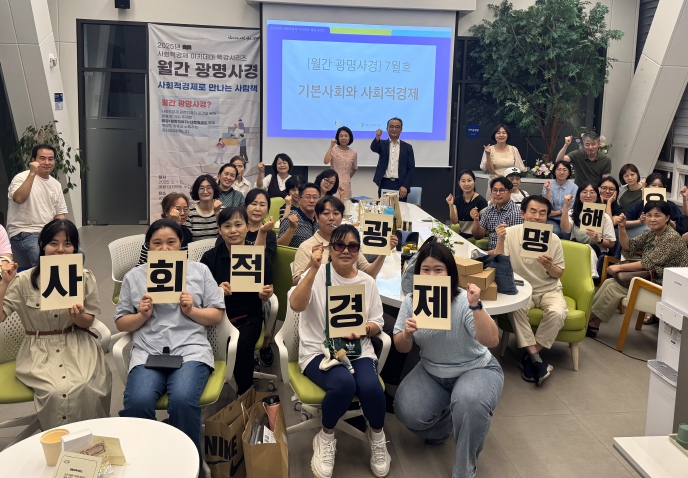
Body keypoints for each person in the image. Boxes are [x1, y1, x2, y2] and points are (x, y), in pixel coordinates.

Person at [116, 219, 225, 461]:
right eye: (157, 243)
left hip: (190, 349)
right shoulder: (134, 276)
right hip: (148, 351)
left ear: (181, 244)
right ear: (148, 246)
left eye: (171, 242)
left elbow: (217, 315)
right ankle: (147, 461)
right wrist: (141, 315)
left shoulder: (199, 271)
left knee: (183, 401)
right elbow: (121, 322)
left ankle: (188, 465)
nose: (164, 248)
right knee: (137, 403)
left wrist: (192, 311)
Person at [393, 242, 502, 478]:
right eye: (426, 269)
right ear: (418, 272)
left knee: (470, 401)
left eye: (438, 269)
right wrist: (407, 334)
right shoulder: (412, 301)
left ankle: (464, 470)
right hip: (433, 370)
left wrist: (476, 306)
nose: (432, 275)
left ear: (450, 272)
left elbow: (492, 340)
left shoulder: (463, 300)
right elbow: (401, 347)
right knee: (406, 411)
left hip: (475, 367)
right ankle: (446, 427)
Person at [290, 224, 391, 478]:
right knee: (344, 384)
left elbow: (378, 322)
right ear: (330, 248)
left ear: (358, 250)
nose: (346, 250)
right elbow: (296, 305)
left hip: (358, 350)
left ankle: (378, 437)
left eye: (352, 246)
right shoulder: (316, 274)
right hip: (318, 351)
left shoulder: (367, 282)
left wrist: (364, 329)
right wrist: (313, 268)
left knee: (371, 388)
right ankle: (325, 436)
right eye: (339, 245)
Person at [0, 219, 111, 429]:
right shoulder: (23, 280)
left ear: (75, 248)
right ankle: (55, 440)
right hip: (39, 349)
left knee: (88, 386)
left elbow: (88, 321)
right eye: (53, 243)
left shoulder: (84, 277)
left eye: (67, 244)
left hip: (77, 342)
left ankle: (90, 439)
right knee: (54, 391)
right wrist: (5, 283)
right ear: (42, 245)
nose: (60, 250)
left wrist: (77, 317)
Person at [587, 201, 688, 338]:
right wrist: (622, 227)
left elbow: (646, 264)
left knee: (614, 288)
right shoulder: (651, 233)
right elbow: (628, 246)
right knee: (609, 283)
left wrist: (619, 267)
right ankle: (593, 323)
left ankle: (586, 320)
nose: (652, 219)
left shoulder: (671, 238)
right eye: (649, 215)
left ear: (667, 218)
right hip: (650, 278)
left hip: (666, 287)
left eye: (657, 215)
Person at [494, 196, 567, 385]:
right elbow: (500, 263)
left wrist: (550, 266)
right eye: (532, 211)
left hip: (549, 289)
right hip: (521, 288)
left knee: (558, 312)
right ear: (522, 213)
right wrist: (500, 240)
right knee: (516, 309)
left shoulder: (554, 239)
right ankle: (536, 359)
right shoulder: (510, 233)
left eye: (542, 213)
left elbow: (558, 273)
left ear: (547, 216)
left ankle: (531, 356)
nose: (537, 217)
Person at [201, 208, 274, 395]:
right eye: (227, 226)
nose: (233, 230)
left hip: (249, 316)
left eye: (238, 225)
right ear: (219, 230)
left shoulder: (258, 255)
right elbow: (200, 295)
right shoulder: (209, 258)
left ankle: (245, 395)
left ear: (248, 227)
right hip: (218, 316)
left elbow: (268, 287)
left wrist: (265, 293)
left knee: (242, 346)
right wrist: (218, 290)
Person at [292, 196, 398, 284]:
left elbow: (369, 274)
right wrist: (312, 264)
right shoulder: (307, 247)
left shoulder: (349, 242)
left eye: (336, 213)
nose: (331, 218)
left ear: (342, 217)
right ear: (317, 218)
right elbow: (296, 283)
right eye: (326, 213)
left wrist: (384, 251)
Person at [7, 144, 68, 266]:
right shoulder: (21, 178)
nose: (47, 162)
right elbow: (19, 199)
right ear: (33, 160)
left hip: (48, 233)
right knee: (42, 259)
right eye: (42, 158)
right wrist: (32, 174)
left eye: (50, 159)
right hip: (24, 232)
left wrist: (60, 232)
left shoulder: (56, 184)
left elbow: (60, 214)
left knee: (79, 253)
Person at [560, 182, 616, 278]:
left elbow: (611, 244)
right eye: (584, 192)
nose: (588, 195)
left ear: (597, 195)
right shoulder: (573, 213)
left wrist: (598, 239)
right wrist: (566, 206)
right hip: (576, 248)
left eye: (592, 192)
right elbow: (566, 228)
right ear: (579, 195)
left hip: (597, 251)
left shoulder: (605, 217)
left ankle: (592, 273)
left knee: (587, 247)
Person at [471, 176, 524, 251]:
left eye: (502, 190)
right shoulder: (490, 210)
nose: (498, 193)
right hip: (491, 253)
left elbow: (513, 246)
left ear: (510, 192)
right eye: (495, 190)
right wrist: (476, 221)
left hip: (505, 255)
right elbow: (478, 236)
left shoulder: (516, 213)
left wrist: (487, 254)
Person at [139, 192, 193, 264]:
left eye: (185, 209)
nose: (182, 213)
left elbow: (184, 261)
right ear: (166, 212)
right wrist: (175, 223)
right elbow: (142, 264)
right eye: (178, 209)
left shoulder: (186, 232)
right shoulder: (156, 230)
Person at [371, 118, 415, 200]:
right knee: (384, 206)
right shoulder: (382, 144)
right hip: (384, 182)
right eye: (391, 127)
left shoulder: (407, 147)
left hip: (400, 184)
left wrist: (405, 186)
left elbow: (411, 168)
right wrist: (377, 137)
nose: (394, 129)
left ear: (401, 129)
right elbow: (374, 148)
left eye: (397, 127)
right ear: (387, 129)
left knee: (401, 207)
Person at [479, 124, 525, 199]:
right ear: (494, 135)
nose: (501, 135)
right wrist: (488, 154)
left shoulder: (513, 149)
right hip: (495, 185)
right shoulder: (489, 149)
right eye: (498, 133)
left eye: (504, 133)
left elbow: (518, 169)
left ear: (507, 135)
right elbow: (491, 171)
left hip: (509, 186)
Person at [447, 170, 488, 239]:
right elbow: (454, 221)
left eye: (469, 180)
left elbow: (485, 225)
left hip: (475, 237)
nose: (466, 184)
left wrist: (476, 218)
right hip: (461, 236)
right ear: (459, 183)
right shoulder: (457, 200)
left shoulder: (481, 201)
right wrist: (451, 205)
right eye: (463, 181)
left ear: (474, 182)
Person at [277, 183, 320, 248]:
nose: (312, 200)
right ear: (299, 200)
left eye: (315, 197)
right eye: (308, 197)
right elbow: (279, 247)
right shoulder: (291, 219)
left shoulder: (320, 219)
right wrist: (291, 228)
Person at [543, 160, 578, 238]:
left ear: (569, 173)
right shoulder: (548, 185)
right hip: (551, 218)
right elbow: (546, 204)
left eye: (565, 170)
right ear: (554, 172)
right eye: (559, 169)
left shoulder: (574, 187)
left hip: (568, 217)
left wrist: (556, 213)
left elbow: (572, 206)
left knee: (566, 233)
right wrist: (548, 191)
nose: (561, 172)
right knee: (555, 232)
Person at [324, 126, 358, 200]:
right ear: (338, 138)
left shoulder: (353, 153)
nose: (343, 138)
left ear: (350, 138)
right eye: (341, 136)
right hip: (334, 183)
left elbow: (355, 168)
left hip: (346, 185)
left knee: (345, 204)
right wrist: (331, 146)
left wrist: (347, 177)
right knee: (333, 202)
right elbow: (326, 161)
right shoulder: (333, 150)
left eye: (346, 136)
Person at [186, 175, 222, 242]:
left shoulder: (222, 210)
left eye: (209, 188)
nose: (205, 191)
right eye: (201, 188)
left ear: (214, 189)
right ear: (197, 191)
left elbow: (226, 236)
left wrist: (217, 213)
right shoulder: (189, 212)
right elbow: (186, 239)